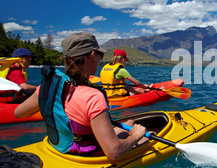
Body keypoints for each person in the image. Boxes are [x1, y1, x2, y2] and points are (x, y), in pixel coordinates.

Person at [14, 32, 148, 160]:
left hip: (57, 146)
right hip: (83, 153)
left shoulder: (48, 86)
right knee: (148, 135)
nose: (99, 59)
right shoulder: (93, 96)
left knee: (130, 122)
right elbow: (114, 152)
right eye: (99, 55)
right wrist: (135, 136)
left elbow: (19, 113)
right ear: (92, 55)